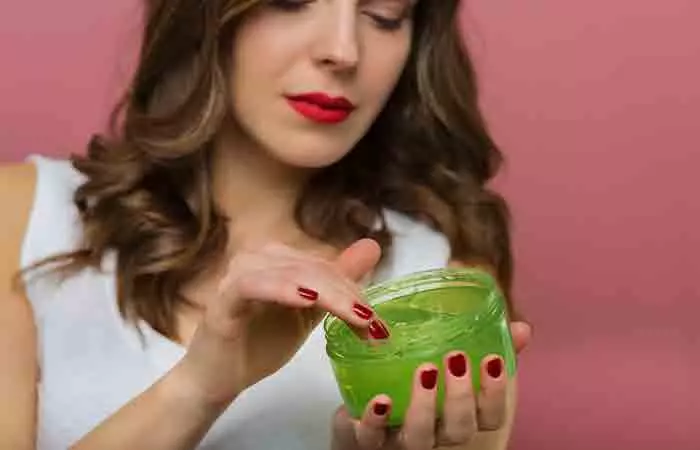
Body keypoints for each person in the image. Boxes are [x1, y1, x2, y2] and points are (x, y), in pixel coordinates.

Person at [0, 0, 533, 449]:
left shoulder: (445, 277)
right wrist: (196, 390)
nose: (343, 51)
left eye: (384, 14)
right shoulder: (22, 216)